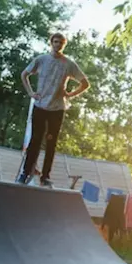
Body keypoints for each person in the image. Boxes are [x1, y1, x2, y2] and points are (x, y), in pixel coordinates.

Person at [16, 33, 89, 187]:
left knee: (51, 142)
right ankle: (25, 172)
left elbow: (85, 83)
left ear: (64, 45)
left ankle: (45, 176)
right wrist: (30, 92)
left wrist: (70, 94)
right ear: (51, 43)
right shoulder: (42, 60)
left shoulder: (68, 64)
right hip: (40, 105)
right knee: (35, 140)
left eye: (61, 43)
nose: (58, 45)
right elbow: (24, 74)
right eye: (55, 42)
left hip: (57, 108)